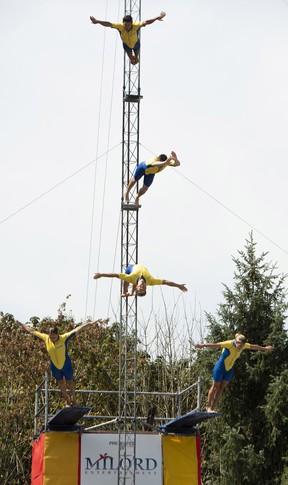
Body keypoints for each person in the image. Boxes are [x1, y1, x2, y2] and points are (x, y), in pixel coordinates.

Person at [15, 319, 105, 406]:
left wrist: (89, 323)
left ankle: (73, 399)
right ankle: (67, 399)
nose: (52, 339)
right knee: (60, 382)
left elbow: (77, 329)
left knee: (70, 381)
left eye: (54, 337)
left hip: (66, 364)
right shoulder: (46, 338)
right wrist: (20, 324)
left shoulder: (64, 338)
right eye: (51, 337)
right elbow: (32, 331)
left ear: (57, 334)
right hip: (54, 366)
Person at [195, 333, 274, 413]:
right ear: (236, 342)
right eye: (240, 346)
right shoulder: (229, 344)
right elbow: (215, 345)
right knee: (215, 387)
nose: (241, 348)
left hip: (229, 369)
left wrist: (264, 348)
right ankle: (208, 407)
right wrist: (202, 345)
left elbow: (254, 346)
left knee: (221, 387)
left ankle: (213, 407)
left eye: (242, 346)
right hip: (220, 368)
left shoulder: (243, 345)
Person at [90, 12, 166, 65]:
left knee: (136, 60)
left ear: (131, 23)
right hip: (126, 45)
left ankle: (136, 58)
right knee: (133, 61)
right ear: (123, 23)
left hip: (136, 44)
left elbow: (147, 22)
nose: (127, 26)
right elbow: (109, 24)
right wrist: (98, 21)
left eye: (129, 25)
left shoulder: (136, 25)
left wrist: (156, 18)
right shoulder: (120, 26)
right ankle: (133, 59)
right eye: (125, 25)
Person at [93, 264, 187, 297]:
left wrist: (101, 274)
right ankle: (129, 292)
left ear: (137, 287)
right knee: (127, 279)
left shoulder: (132, 277)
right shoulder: (151, 281)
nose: (142, 286)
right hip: (134, 268)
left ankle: (127, 292)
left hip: (130, 270)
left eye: (140, 288)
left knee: (126, 279)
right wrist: (178, 285)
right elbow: (166, 282)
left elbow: (115, 275)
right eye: (144, 288)